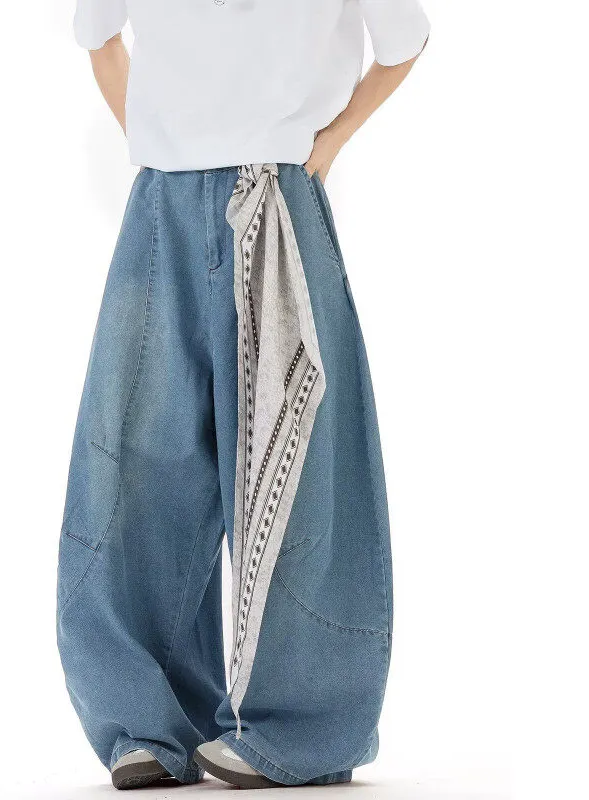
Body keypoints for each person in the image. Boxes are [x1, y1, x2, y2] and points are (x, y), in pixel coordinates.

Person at [56, 0, 430, 790]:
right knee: (135, 467)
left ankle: (302, 726)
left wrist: (330, 142)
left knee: (300, 473)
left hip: (279, 198)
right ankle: (146, 720)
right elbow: (97, 35)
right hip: (160, 205)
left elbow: (404, 39)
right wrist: (160, 141)